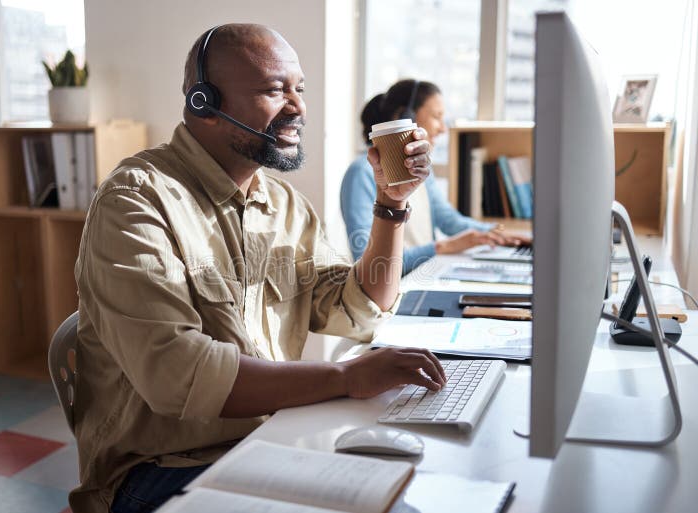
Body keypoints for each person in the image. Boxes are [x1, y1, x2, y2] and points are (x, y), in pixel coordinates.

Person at [71, 25, 447, 513]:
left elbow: (357, 309)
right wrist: (345, 377)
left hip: (269, 441)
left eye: (300, 89)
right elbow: (177, 374)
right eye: (275, 90)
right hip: (164, 470)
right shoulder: (136, 200)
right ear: (204, 103)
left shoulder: (283, 204)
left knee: (408, 494)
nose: (298, 108)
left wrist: (390, 205)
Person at [340, 79, 530, 275]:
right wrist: (442, 247)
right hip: (395, 290)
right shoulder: (360, 173)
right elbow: (366, 262)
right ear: (406, 117)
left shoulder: (418, 169)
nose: (443, 128)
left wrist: (497, 232)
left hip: (424, 276)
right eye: (437, 117)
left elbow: (450, 221)